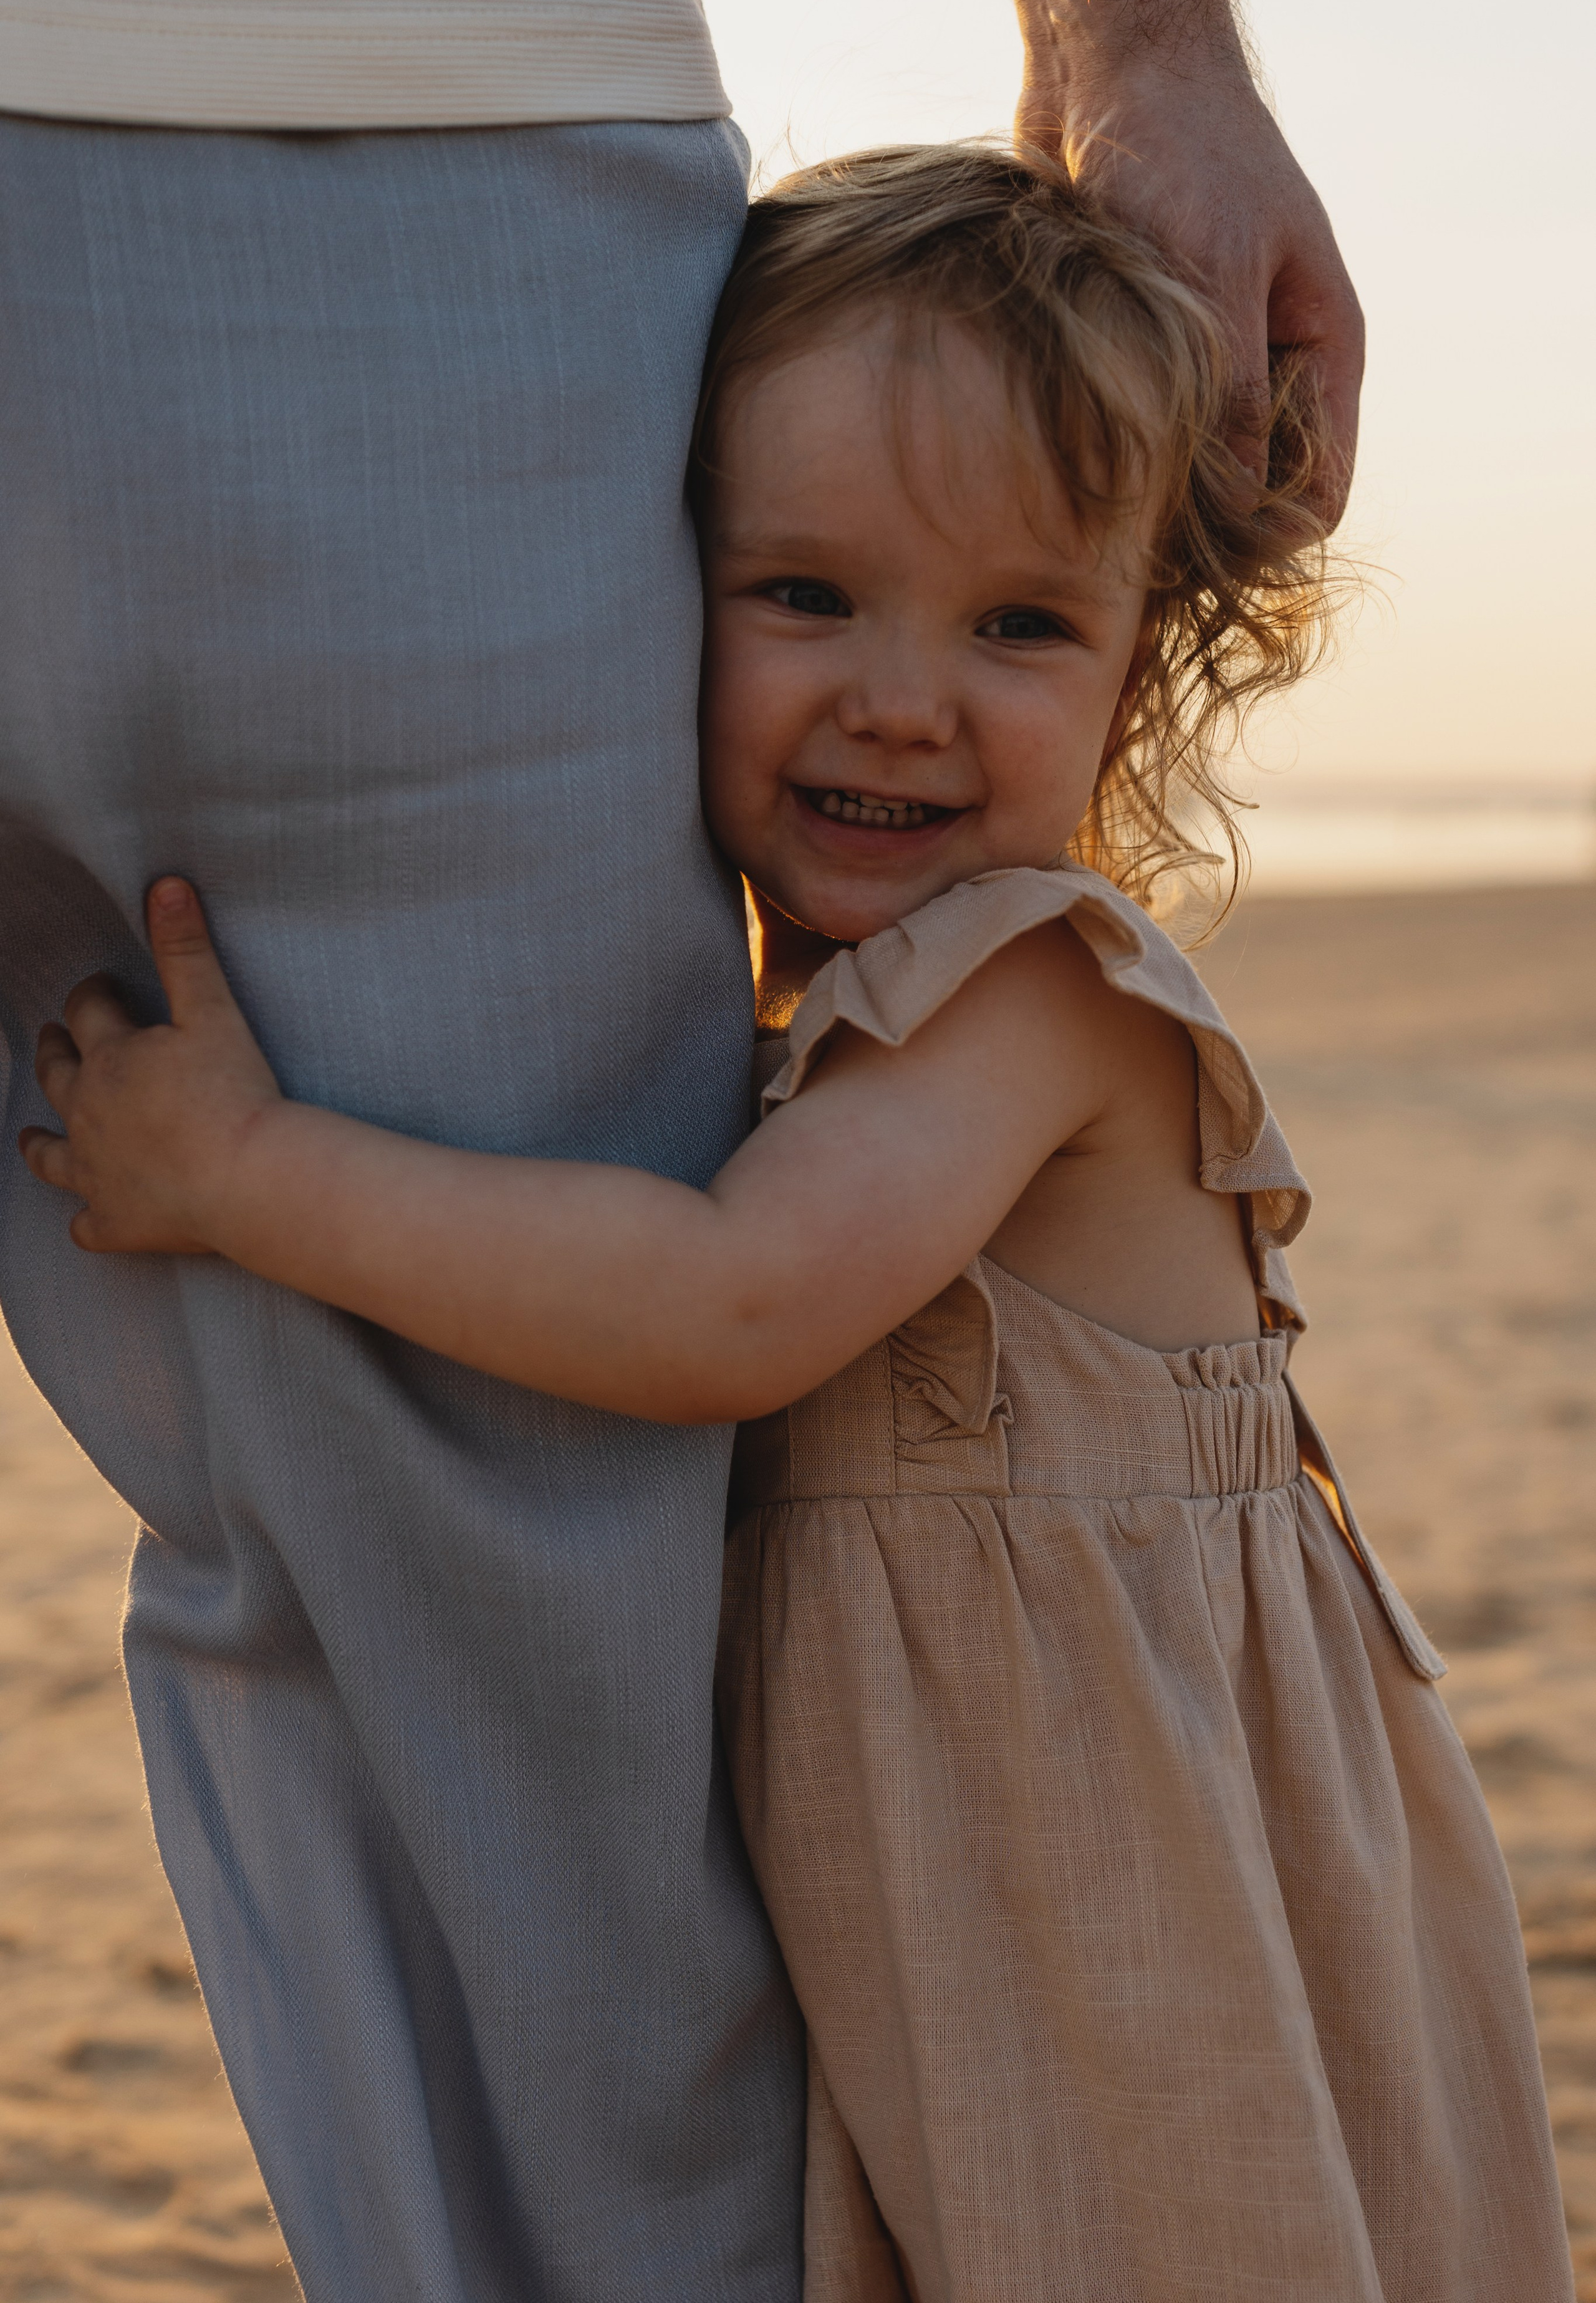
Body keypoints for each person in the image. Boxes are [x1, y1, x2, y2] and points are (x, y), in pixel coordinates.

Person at [20, 143, 1569, 2303]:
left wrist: (255, 1177)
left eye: (1020, 623)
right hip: (968, 1902)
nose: (902, 695)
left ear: (1144, 666)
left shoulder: (1038, 995)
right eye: (805, 595)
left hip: (1133, 1896)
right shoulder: (819, 1024)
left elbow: (722, 1310)